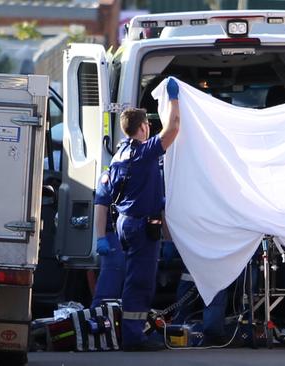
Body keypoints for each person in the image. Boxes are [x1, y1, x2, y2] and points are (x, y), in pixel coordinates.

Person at [93, 78, 181, 351]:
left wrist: (100, 237)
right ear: (143, 127)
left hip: (125, 225)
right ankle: (133, 337)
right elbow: (174, 128)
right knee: (139, 283)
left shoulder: (119, 154)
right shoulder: (144, 153)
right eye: (148, 125)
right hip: (141, 227)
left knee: (130, 278)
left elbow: (102, 197)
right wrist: (174, 99)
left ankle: (122, 331)